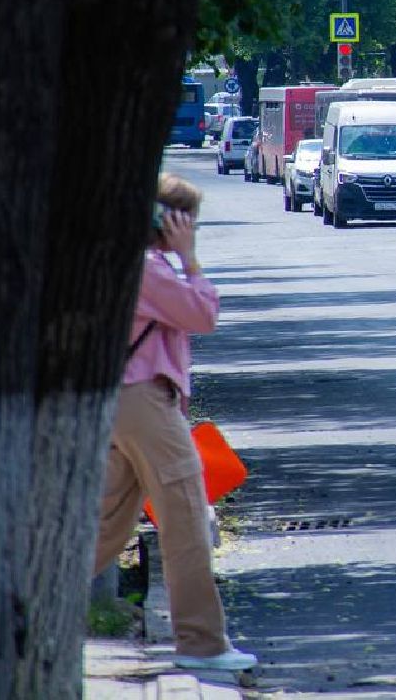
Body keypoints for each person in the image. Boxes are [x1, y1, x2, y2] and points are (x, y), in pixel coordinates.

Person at [92, 174, 257, 673]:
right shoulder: (148, 268)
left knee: (102, 527)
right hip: (143, 403)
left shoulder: (131, 263)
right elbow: (201, 314)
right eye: (189, 222)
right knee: (185, 514)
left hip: (126, 401)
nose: (193, 230)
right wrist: (190, 258)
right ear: (169, 222)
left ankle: (17, 607)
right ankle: (202, 644)